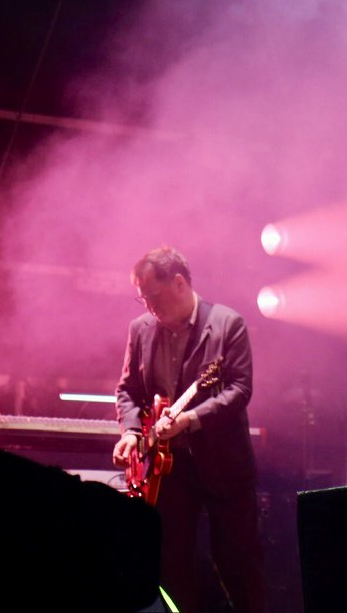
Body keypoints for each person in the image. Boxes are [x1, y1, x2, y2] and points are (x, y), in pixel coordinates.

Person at [112, 246, 265, 613]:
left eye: (153, 295)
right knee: (170, 563)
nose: (148, 305)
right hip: (171, 470)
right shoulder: (141, 329)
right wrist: (131, 432)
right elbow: (127, 391)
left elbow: (240, 390)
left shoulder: (228, 324)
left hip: (223, 464)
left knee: (237, 564)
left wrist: (190, 419)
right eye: (142, 297)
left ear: (179, 283)